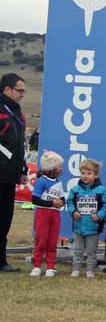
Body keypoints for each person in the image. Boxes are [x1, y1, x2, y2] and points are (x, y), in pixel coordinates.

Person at [0, 73, 28, 273]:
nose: (22, 94)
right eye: (19, 90)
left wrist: (23, 167)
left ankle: (1, 261)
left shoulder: (17, 112)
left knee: (4, 219)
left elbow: (17, 144)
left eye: (24, 91)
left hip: (10, 176)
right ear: (7, 89)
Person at [66, 159, 106, 278]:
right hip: (78, 226)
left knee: (91, 251)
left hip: (93, 227)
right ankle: (75, 269)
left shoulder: (102, 190)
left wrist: (99, 215)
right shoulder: (75, 190)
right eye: (83, 173)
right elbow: (69, 202)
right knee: (77, 250)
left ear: (96, 175)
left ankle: (90, 270)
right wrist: (73, 212)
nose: (85, 176)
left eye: (89, 173)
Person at [29, 151, 66, 277]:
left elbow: (62, 198)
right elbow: (35, 200)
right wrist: (51, 204)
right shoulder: (41, 181)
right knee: (41, 240)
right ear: (51, 168)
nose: (61, 169)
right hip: (42, 214)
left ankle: (51, 266)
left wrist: (61, 202)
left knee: (52, 241)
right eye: (59, 166)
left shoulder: (59, 182)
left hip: (55, 216)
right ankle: (37, 266)